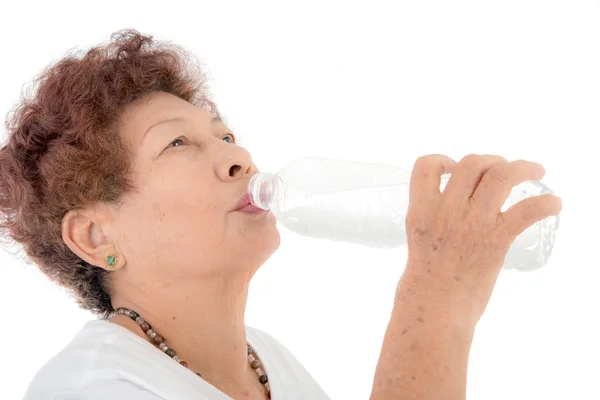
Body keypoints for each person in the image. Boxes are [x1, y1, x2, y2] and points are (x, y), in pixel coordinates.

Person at [0, 29, 562, 400]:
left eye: (225, 135)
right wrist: (440, 293)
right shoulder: (91, 389)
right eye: (177, 144)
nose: (238, 157)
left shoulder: (267, 359)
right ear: (96, 234)